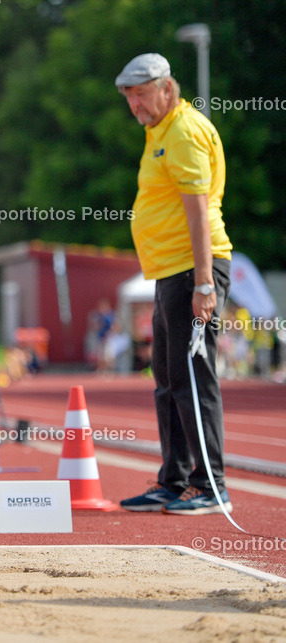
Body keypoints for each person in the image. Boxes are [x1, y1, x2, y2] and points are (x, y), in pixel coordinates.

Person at [115, 53, 233, 515]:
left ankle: (212, 484)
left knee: (192, 377)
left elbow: (198, 209)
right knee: (166, 379)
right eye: (129, 99)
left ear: (168, 88)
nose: (135, 107)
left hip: (193, 271)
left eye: (141, 95)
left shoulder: (183, 130)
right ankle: (175, 479)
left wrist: (205, 283)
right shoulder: (158, 132)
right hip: (169, 273)